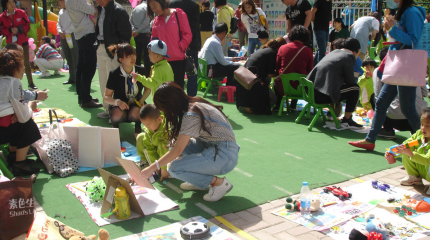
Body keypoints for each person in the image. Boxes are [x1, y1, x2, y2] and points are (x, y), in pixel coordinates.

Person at [140, 82, 240, 202]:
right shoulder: (194, 104)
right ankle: (198, 181)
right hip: (218, 148)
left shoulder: (190, 115)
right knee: (173, 146)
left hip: (225, 156)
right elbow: (178, 145)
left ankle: (219, 183)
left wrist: (151, 168)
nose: (165, 113)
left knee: (175, 168)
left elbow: (178, 150)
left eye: (164, 109)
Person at [349, 0, 426, 151]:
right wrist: (391, 29)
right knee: (382, 103)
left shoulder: (412, 12)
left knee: (408, 109)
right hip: (398, 66)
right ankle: (370, 140)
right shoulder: (407, 12)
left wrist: (393, 29)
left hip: (405, 66)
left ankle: (424, 144)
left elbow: (413, 40)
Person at [0, 49, 41, 175]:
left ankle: (13, 156)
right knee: (28, 126)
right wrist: (30, 106)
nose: (23, 68)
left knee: (17, 122)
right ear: (14, 67)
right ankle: (19, 163)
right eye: (22, 65)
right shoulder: (13, 82)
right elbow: (23, 116)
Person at [307, 37, 363, 129]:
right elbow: (350, 81)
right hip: (322, 96)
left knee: (337, 86)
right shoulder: (349, 56)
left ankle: (332, 113)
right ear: (355, 51)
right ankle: (347, 120)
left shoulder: (333, 52)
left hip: (310, 92)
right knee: (355, 89)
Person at [374, 48, 427, 140]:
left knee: (378, 101)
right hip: (419, 118)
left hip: (395, 119)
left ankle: (387, 129)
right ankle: (418, 132)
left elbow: (377, 94)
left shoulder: (380, 71)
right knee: (409, 108)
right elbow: (424, 93)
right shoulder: (412, 68)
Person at [95, 0, 132, 118]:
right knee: (103, 80)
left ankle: (117, 112)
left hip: (113, 50)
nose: (99, 1)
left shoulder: (118, 11)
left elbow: (126, 35)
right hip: (100, 47)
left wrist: (118, 51)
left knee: (114, 83)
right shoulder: (100, 9)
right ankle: (108, 110)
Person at [104, 43, 146, 139]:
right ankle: (115, 130)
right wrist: (117, 102)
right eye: (128, 56)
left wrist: (141, 100)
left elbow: (148, 88)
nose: (133, 58)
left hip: (135, 101)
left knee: (137, 112)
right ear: (121, 60)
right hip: (119, 103)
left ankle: (137, 128)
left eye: (133, 55)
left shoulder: (141, 70)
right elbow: (106, 96)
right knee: (116, 115)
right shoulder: (114, 74)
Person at [384, 108, 430, 196]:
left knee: (409, 152)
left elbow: (428, 160)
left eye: (428, 126)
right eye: (422, 124)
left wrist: (411, 154)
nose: (423, 128)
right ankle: (415, 177)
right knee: (407, 148)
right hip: (424, 169)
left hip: (427, 165)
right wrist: (392, 154)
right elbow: (404, 145)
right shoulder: (419, 134)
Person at [148, 0, 192, 90]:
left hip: (178, 60)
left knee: (178, 89)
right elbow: (154, 39)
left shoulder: (179, 14)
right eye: (151, 8)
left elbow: (187, 34)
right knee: (163, 90)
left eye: (155, 5)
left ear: (162, 2)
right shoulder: (156, 20)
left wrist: (180, 46)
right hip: (162, 61)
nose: (154, 9)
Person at [236, 37, 286, 115]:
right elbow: (270, 74)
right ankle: (251, 104)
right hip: (253, 81)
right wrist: (280, 73)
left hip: (243, 78)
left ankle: (247, 103)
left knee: (267, 80)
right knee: (274, 100)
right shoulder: (273, 53)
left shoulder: (263, 50)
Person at [66, 0, 101, 108]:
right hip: (87, 34)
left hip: (80, 35)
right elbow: (93, 11)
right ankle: (85, 99)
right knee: (89, 68)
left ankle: (82, 96)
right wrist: (94, 5)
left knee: (81, 67)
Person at [275, 25, 313, 111]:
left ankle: (278, 105)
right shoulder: (308, 51)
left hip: (283, 87)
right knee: (299, 77)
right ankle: (293, 106)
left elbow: (277, 67)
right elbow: (310, 71)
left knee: (277, 81)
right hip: (301, 88)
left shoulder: (282, 48)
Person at [0, 0, 36, 90]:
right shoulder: (2, 17)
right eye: (9, 3)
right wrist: (10, 30)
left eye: (13, 2)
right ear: (5, 5)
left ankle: (31, 83)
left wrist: (20, 29)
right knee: (11, 64)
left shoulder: (21, 12)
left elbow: (28, 25)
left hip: (23, 41)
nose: (12, 4)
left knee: (26, 63)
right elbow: (1, 29)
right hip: (11, 44)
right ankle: (13, 85)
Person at [170, 0, 201, 97]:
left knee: (175, 73)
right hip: (190, 44)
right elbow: (194, 26)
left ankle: (176, 98)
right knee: (191, 73)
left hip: (174, 45)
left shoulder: (172, 4)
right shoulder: (195, 6)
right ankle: (191, 99)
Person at [136, 104, 170, 178]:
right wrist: (155, 168)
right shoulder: (149, 130)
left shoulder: (167, 129)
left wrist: (163, 168)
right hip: (157, 153)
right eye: (144, 124)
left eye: (148, 125)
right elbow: (149, 149)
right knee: (140, 137)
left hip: (170, 156)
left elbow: (166, 151)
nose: (146, 127)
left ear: (159, 119)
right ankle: (144, 161)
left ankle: (167, 168)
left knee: (162, 145)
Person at [57, 0, 78, 85]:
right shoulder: (61, 11)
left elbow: (74, 23)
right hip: (63, 36)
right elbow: (58, 23)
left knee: (75, 57)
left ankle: (77, 77)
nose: (58, 3)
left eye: (59, 1)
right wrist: (60, 31)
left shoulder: (72, 9)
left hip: (71, 35)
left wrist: (66, 32)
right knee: (68, 57)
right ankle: (72, 77)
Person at [130, 0, 152, 77]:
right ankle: (147, 73)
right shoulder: (147, 8)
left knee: (138, 53)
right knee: (146, 54)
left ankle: (137, 72)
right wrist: (138, 31)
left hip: (136, 34)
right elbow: (146, 22)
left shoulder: (136, 8)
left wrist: (134, 30)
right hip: (144, 34)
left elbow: (131, 20)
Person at [311, 0, 332, 65]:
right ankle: (321, 70)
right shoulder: (319, 1)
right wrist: (314, 23)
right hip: (319, 28)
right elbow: (312, 13)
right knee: (322, 51)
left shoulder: (329, 2)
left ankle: (313, 67)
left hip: (326, 28)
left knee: (320, 49)